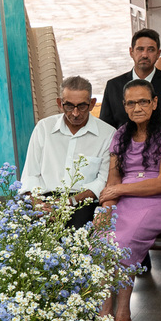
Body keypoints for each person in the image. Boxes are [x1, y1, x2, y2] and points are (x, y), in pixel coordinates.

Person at [99, 79, 161, 321]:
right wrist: (106, 209)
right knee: (101, 239)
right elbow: (113, 180)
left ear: (154, 103)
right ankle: (103, 311)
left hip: (160, 200)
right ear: (124, 106)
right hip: (125, 198)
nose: (137, 107)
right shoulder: (121, 133)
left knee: (124, 241)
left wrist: (120, 192)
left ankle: (124, 313)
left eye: (143, 101)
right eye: (131, 103)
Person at [21, 76, 116, 229]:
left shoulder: (107, 133)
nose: (76, 113)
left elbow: (103, 180)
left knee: (75, 238)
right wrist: (39, 204)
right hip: (45, 199)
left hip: (81, 201)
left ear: (92, 104)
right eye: (69, 106)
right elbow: (31, 174)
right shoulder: (44, 128)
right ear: (60, 103)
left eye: (82, 106)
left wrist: (70, 202)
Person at [99, 29, 161, 129]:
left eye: (151, 50)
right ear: (131, 52)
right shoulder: (113, 86)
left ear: (158, 54)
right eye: (140, 49)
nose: (145, 55)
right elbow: (105, 127)